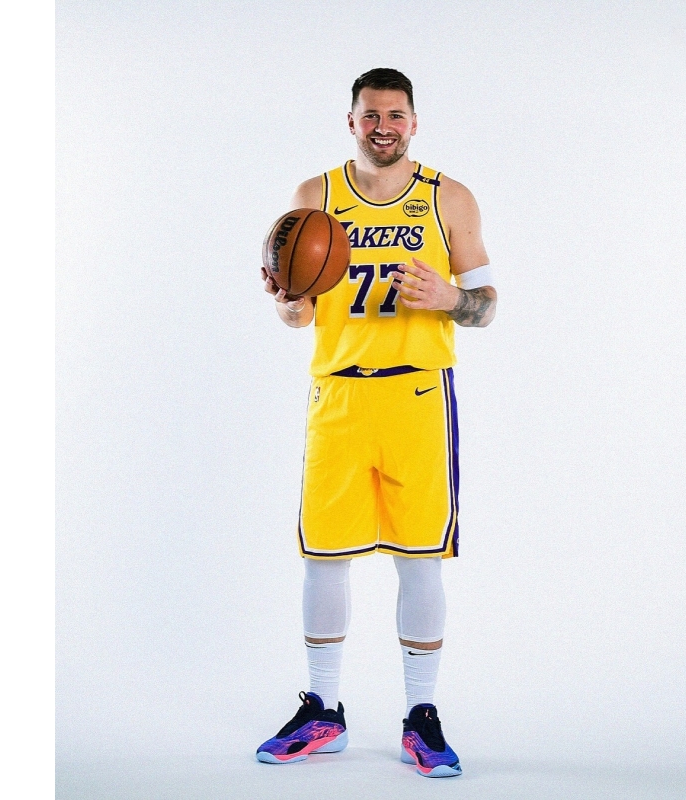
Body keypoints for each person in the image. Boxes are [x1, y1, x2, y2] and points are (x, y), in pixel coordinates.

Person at [256, 67, 497, 778]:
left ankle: (421, 716)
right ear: (352, 121)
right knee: (324, 555)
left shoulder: (448, 197)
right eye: (370, 115)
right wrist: (290, 302)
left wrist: (450, 297)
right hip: (338, 393)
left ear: (414, 122)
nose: (382, 126)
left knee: (419, 556)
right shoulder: (315, 196)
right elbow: (296, 312)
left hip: (417, 395)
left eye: (395, 115)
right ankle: (323, 711)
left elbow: (486, 303)